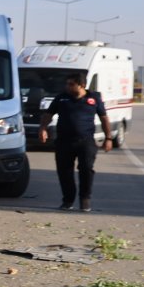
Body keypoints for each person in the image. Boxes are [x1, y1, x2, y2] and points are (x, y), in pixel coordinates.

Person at [39, 73, 113, 212]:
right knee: (64, 172)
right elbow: (48, 114)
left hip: (85, 142)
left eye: (71, 84)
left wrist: (108, 138)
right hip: (64, 141)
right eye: (67, 84)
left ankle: (85, 199)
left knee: (86, 170)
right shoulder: (61, 98)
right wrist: (43, 128)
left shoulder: (94, 98)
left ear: (82, 85)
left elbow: (104, 118)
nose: (67, 87)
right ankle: (68, 200)